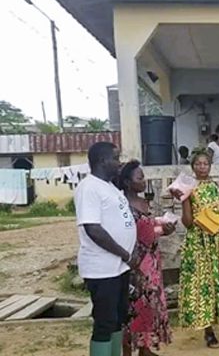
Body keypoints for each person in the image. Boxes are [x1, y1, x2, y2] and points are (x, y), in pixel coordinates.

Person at [171, 151, 219, 348]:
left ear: (210, 166)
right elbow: (188, 223)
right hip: (199, 243)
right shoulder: (189, 189)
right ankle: (208, 331)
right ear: (193, 166)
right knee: (205, 285)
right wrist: (185, 200)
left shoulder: (217, 187)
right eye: (199, 164)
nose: (202, 167)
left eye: (206, 163)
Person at [74, 142, 137, 356]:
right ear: (102, 161)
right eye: (116, 158)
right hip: (102, 268)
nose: (120, 163)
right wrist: (124, 253)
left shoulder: (109, 186)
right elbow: (93, 228)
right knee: (104, 321)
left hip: (119, 267)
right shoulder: (89, 187)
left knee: (118, 318)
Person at [117, 161, 173, 356]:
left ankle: (145, 347)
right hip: (135, 264)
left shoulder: (143, 203)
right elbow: (139, 233)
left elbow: (148, 229)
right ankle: (128, 349)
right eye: (139, 178)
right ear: (127, 182)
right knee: (134, 305)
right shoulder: (122, 205)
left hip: (151, 263)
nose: (144, 181)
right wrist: (159, 230)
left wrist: (162, 229)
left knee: (149, 303)